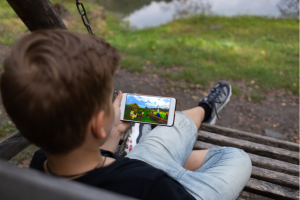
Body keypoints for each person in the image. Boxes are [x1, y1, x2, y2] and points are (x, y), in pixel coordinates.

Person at [0, 30, 252, 200]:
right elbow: (158, 186)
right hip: (166, 184)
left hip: (129, 165)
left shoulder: (40, 163)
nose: (115, 105)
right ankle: (201, 114)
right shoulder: (148, 183)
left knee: (179, 123)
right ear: (98, 124)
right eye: (109, 103)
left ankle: (205, 111)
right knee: (235, 158)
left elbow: (98, 173)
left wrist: (114, 134)